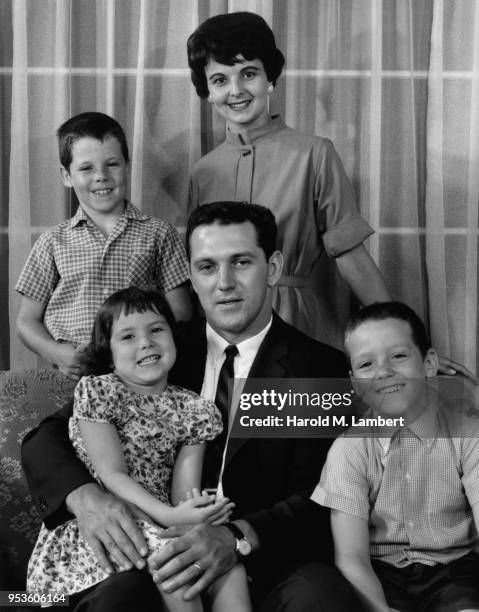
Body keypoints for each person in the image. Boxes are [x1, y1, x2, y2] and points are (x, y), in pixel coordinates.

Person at [22, 202, 358, 611]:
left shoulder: (317, 367)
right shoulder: (156, 348)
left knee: (321, 598)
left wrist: (237, 535)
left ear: (272, 268)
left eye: (241, 262)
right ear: (192, 277)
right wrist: (85, 497)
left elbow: (322, 493)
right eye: (206, 267)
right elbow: (46, 438)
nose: (224, 283)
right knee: (117, 601)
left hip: (265, 555)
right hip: (155, 548)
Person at [27, 286, 250, 612]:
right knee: (173, 567)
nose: (146, 342)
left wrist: (195, 513)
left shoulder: (193, 408)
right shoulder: (100, 392)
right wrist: (169, 516)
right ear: (109, 353)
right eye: (127, 337)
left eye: (156, 329)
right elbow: (111, 474)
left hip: (159, 523)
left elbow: (182, 492)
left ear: (174, 338)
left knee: (229, 569)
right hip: (113, 524)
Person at [186, 11, 390, 349]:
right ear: (207, 91)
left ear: (271, 78)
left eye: (248, 74)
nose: (235, 91)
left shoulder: (315, 154)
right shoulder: (202, 173)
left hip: (301, 329)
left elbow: (353, 259)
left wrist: (400, 338)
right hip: (223, 338)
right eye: (220, 80)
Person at [312, 301, 479, 612]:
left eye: (398, 356)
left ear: (429, 364)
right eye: (366, 365)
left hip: (455, 571)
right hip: (380, 575)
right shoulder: (349, 449)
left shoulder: (468, 436)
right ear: (353, 382)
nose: (383, 373)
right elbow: (351, 557)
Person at [15, 112, 192, 379]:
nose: (101, 176)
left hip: (143, 374)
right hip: (75, 375)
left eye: (112, 164)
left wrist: (144, 340)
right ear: (66, 175)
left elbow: (181, 312)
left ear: (127, 167)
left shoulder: (159, 233)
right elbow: (26, 321)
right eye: (86, 168)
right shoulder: (52, 242)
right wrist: (57, 353)